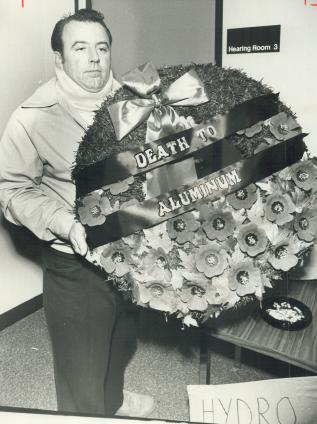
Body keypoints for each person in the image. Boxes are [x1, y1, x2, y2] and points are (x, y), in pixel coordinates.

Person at [0, 8, 154, 418]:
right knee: (81, 371)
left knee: (122, 341)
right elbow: (11, 188)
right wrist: (64, 223)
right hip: (76, 261)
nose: (94, 59)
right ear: (59, 58)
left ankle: (114, 403)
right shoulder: (31, 116)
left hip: (136, 252)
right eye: (80, 48)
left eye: (101, 48)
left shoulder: (139, 102)